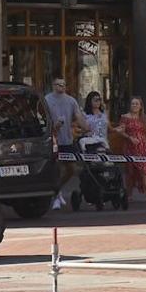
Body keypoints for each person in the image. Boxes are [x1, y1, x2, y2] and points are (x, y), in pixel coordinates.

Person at [44, 77, 88, 209]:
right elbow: (43, 118)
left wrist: (85, 127)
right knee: (56, 168)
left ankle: (57, 190)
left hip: (67, 139)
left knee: (71, 169)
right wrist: (53, 126)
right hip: (53, 140)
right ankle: (56, 197)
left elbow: (78, 116)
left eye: (63, 85)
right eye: (58, 85)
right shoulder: (47, 100)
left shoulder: (71, 100)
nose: (61, 87)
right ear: (53, 85)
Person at [114, 95, 146, 203]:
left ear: (141, 106)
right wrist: (130, 138)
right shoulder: (125, 117)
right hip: (130, 146)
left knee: (145, 170)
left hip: (143, 147)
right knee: (131, 171)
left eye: (136, 104)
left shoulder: (145, 118)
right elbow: (121, 131)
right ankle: (128, 195)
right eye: (133, 104)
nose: (134, 106)